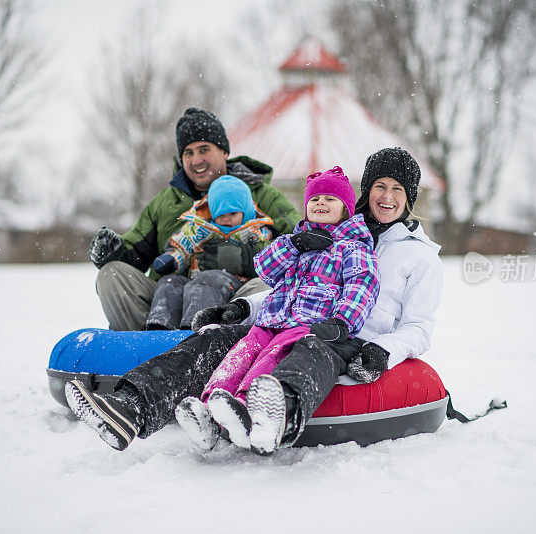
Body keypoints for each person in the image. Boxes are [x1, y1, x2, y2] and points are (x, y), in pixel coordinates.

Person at [64, 147, 441, 456]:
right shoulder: (331, 233)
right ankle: (131, 406)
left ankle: (275, 414)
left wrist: (382, 351)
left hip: (343, 342)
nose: (387, 197)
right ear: (365, 191)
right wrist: (243, 309)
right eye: (380, 186)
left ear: (409, 197)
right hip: (289, 323)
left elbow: (419, 328)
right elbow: (293, 291)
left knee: (308, 351)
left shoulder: (419, 257)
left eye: (397, 189)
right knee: (214, 339)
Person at [173, 167, 379, 451]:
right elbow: (265, 268)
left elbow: (361, 286)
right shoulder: (297, 241)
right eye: (314, 199)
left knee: (270, 359)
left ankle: (245, 408)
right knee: (240, 354)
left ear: (345, 209)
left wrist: (342, 322)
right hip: (271, 320)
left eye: (330, 200)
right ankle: (211, 409)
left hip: (305, 325)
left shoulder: (352, 247)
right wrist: (295, 245)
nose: (320, 204)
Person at [88, 107, 300, 331]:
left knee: (264, 288)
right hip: (169, 298)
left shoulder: (259, 194)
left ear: (224, 151)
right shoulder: (166, 202)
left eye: (203, 149)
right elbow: (136, 253)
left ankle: (237, 349)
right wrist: (114, 251)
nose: (196, 160)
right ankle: (147, 345)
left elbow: (296, 246)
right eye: (188, 153)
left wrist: (245, 259)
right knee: (111, 274)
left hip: (234, 299)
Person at [145, 175, 275, 330]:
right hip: (195, 280)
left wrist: (241, 257)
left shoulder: (254, 232)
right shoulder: (200, 229)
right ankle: (159, 328)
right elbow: (184, 245)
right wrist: (172, 259)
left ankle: (194, 330)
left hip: (236, 284)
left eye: (232, 214)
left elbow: (267, 254)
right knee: (170, 282)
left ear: (245, 212)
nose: (226, 219)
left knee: (210, 279)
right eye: (220, 214)